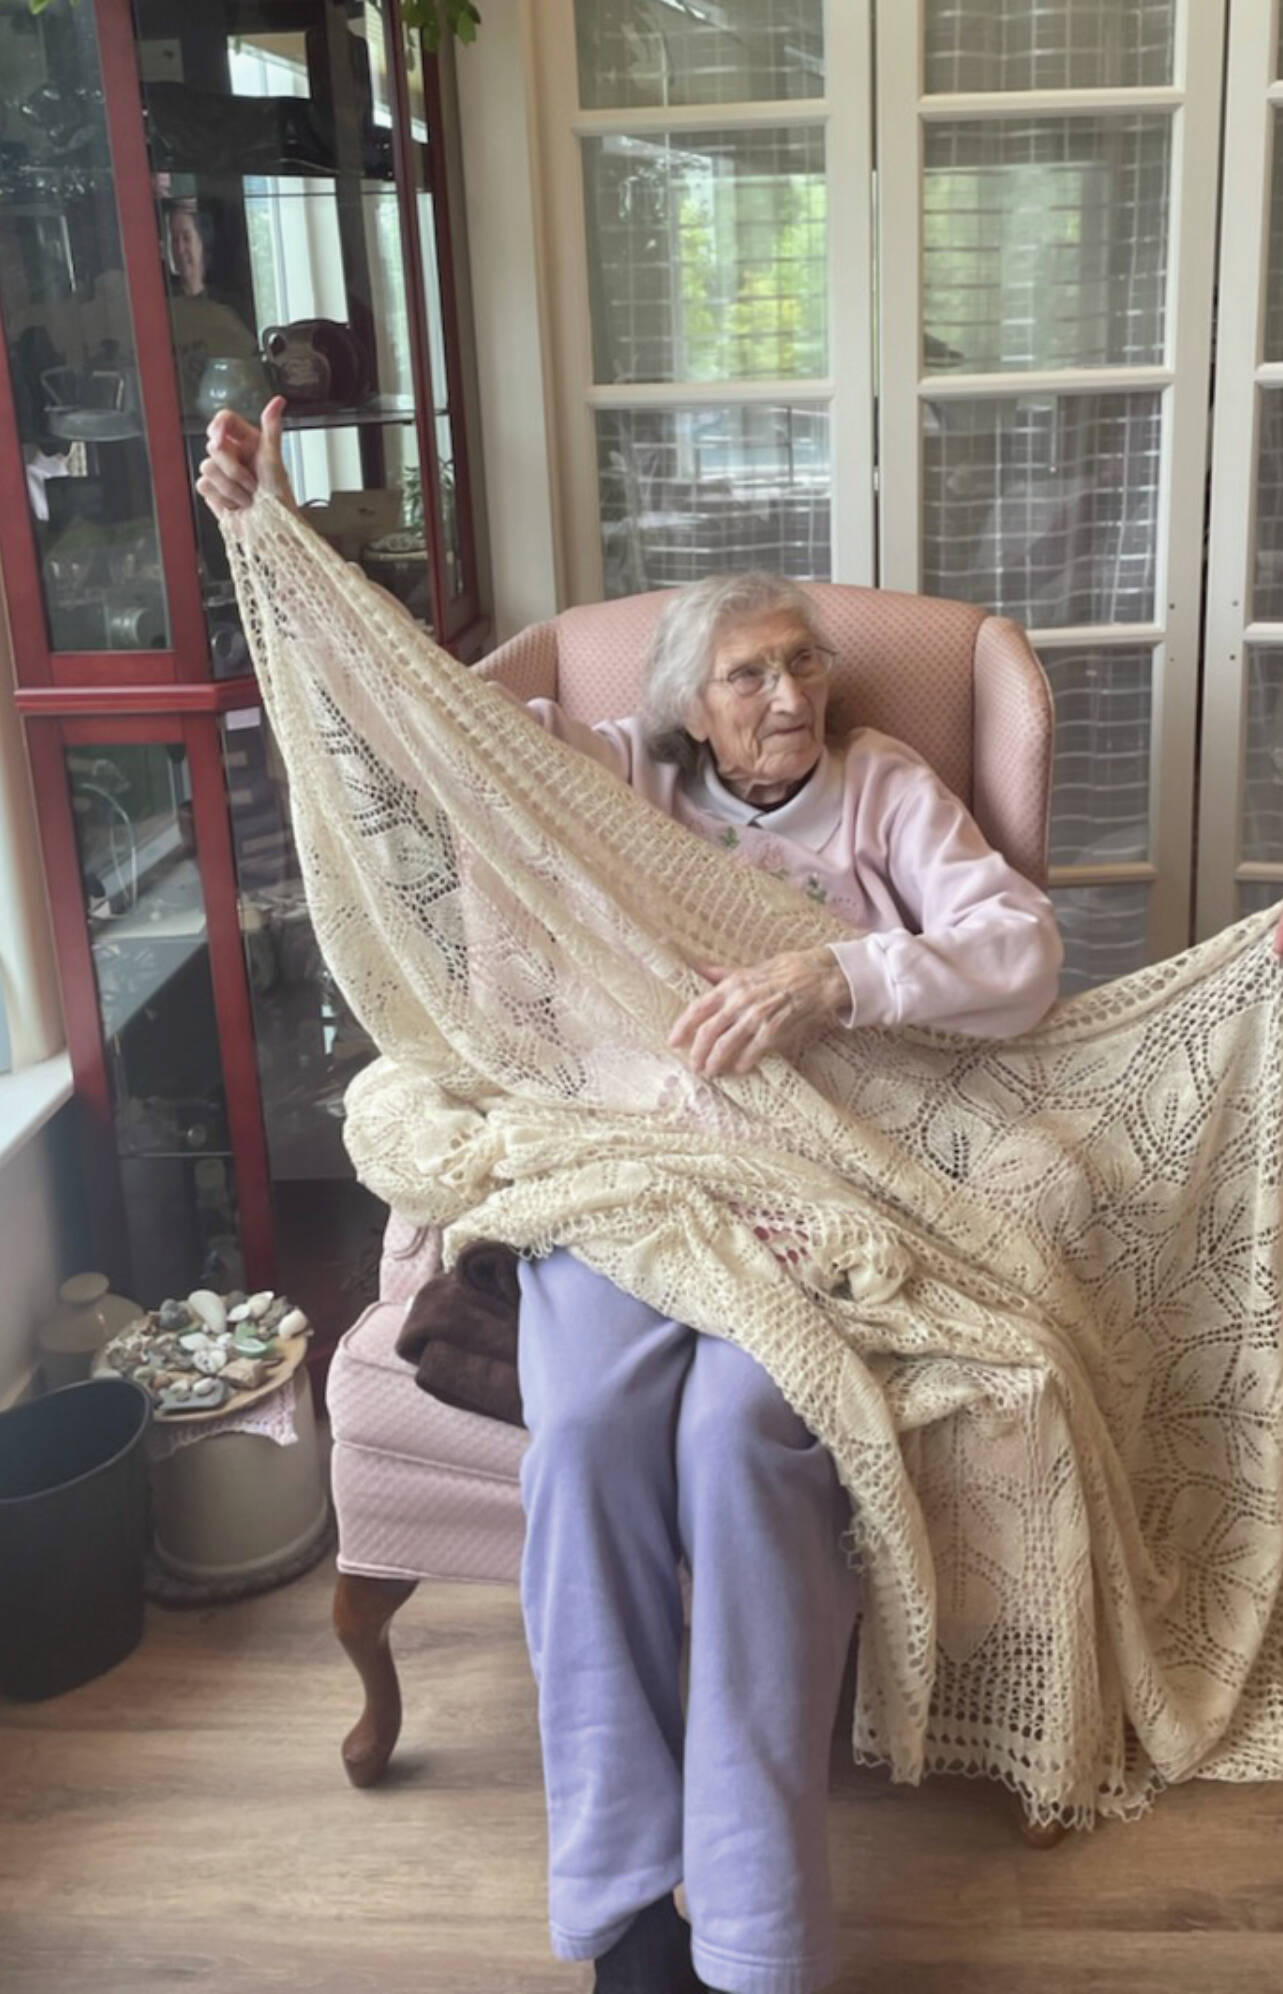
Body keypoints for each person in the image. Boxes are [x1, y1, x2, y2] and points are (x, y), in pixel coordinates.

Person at [197, 402, 1064, 1994]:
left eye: (806, 662)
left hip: (808, 1193)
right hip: (625, 1177)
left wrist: (838, 974)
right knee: (589, 1432)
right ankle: (620, 1906)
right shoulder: (613, 782)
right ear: (685, 706)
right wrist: (282, 544)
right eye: (753, 671)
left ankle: (756, 1928)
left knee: (743, 1439)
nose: (794, 691)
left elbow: (1021, 954)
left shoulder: (881, 789)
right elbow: (416, 730)